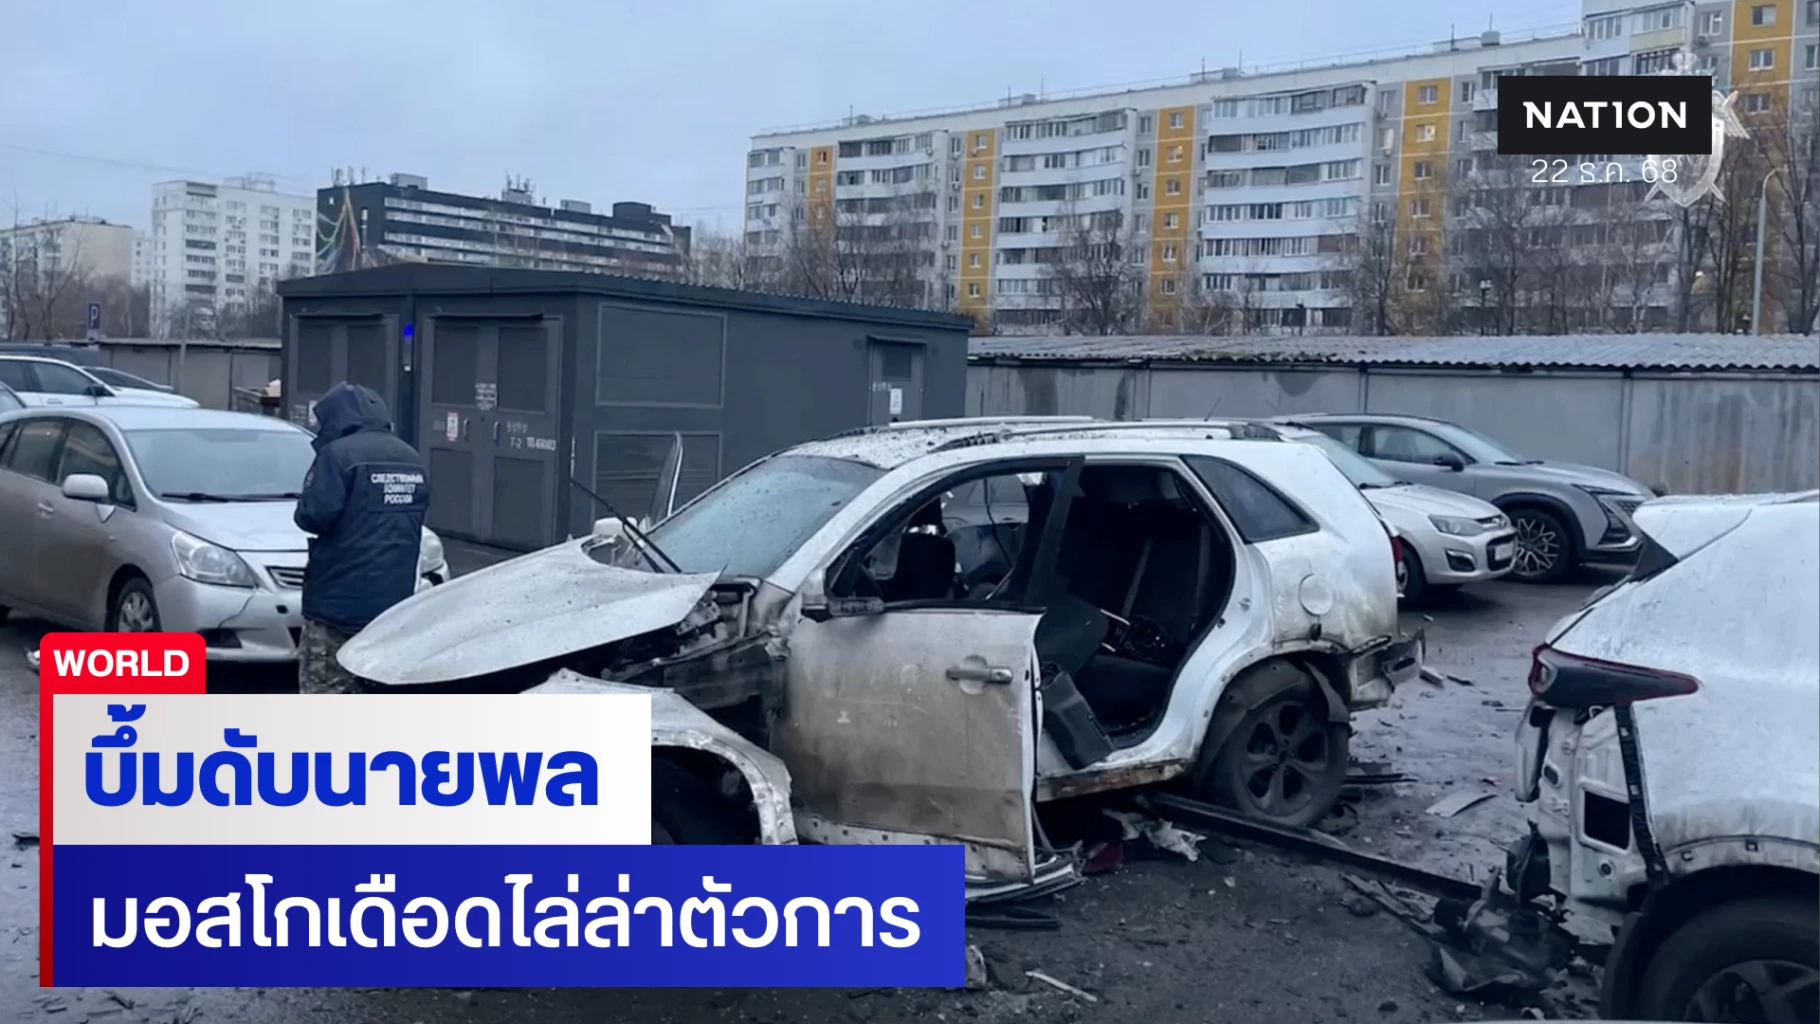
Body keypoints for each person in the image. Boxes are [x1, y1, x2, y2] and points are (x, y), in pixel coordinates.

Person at [293, 382, 428, 693]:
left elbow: (313, 516)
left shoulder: (337, 455)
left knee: (325, 691)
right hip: (392, 603)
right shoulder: (411, 457)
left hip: (336, 603)